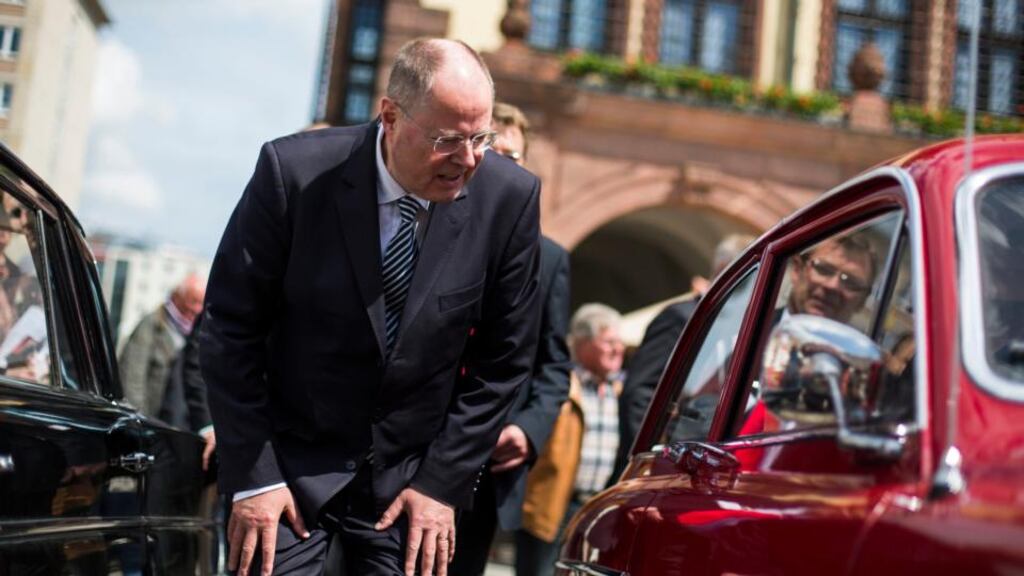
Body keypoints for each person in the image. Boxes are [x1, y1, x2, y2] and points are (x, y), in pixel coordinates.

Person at [199, 38, 541, 576]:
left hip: (410, 485)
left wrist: (441, 485)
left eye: (481, 137)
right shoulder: (294, 173)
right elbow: (229, 328)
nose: (469, 158)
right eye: (449, 140)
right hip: (288, 469)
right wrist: (256, 476)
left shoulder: (509, 199)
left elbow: (504, 362)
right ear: (391, 116)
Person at [449, 102, 572, 576]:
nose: (502, 163)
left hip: (485, 469)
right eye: (492, 150)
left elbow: (554, 366)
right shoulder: (431, 225)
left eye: (514, 156)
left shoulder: (550, 260)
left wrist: (527, 429)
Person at [613, 234, 753, 479]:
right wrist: (649, 463)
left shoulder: (743, 328)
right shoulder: (682, 318)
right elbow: (640, 393)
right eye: (748, 283)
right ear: (723, 271)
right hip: (663, 469)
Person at [518, 303, 624, 576]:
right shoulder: (559, 386)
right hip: (554, 505)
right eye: (609, 341)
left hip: (595, 507)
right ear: (582, 343)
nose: (618, 349)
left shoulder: (617, 389)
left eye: (619, 342)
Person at [119, 273, 206, 418]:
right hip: (153, 420)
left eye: (201, 303)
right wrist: (139, 421)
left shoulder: (198, 334)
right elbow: (132, 381)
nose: (198, 309)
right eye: (193, 301)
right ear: (177, 297)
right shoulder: (151, 326)